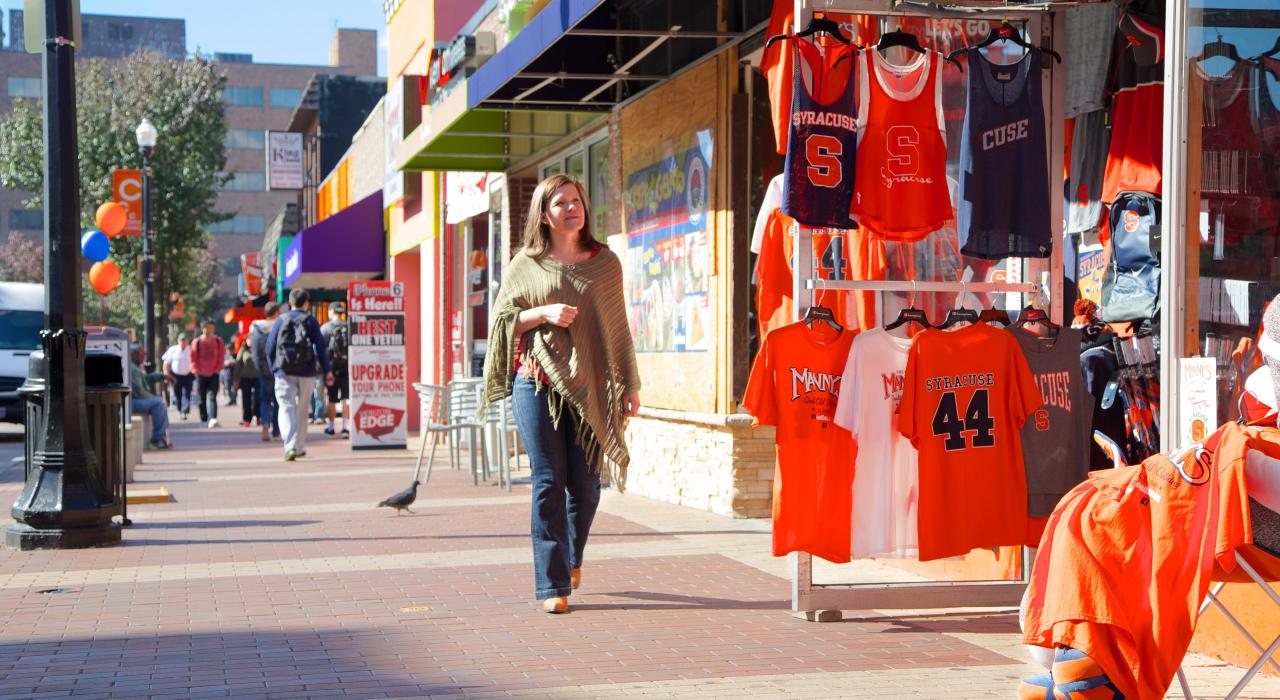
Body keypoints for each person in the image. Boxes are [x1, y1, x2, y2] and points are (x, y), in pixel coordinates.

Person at [481, 175, 641, 614]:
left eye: (576, 201)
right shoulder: (526, 264)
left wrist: (629, 382)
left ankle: (572, 557)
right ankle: (552, 586)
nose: (571, 208)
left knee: (586, 486)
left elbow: (618, 329)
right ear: (543, 214)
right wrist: (541, 313)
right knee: (548, 481)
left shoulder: (605, 263)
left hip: (588, 389)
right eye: (560, 203)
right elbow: (499, 324)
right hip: (536, 382)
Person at [266, 289, 332, 461]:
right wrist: (327, 370)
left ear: (289, 303)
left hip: (283, 371)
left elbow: (269, 347)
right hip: (306, 371)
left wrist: (274, 369)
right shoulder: (311, 321)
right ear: (306, 303)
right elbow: (321, 348)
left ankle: (289, 446)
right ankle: (299, 446)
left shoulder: (281, 320)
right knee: (302, 410)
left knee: (286, 407)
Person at [249, 302, 282, 442]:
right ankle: (276, 430)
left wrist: (260, 368)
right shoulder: (279, 325)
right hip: (277, 367)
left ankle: (264, 424)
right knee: (278, 400)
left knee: (264, 399)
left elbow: (254, 351)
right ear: (276, 313)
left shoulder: (256, 327)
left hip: (263, 369)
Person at [129, 345, 170, 449]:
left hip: (134, 400)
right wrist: (153, 398)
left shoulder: (135, 367)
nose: (144, 357)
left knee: (159, 402)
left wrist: (161, 376)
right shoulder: (132, 369)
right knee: (158, 403)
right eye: (142, 354)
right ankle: (157, 439)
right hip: (132, 401)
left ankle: (162, 437)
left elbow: (145, 379)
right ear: (134, 355)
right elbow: (140, 392)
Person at [321, 301, 350, 438]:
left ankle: (331, 427)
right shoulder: (349, 327)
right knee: (346, 398)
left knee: (332, 399)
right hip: (347, 367)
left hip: (331, 368)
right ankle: (345, 427)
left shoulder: (325, 328)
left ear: (332, 311)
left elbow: (320, 350)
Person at [190, 321, 226, 429]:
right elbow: (193, 358)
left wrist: (217, 369)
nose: (209, 330)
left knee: (212, 396)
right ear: (202, 329)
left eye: (211, 328)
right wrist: (196, 370)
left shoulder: (218, 341)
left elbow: (221, 356)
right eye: (207, 328)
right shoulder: (197, 342)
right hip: (201, 374)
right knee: (201, 398)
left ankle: (213, 419)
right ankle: (203, 418)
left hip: (213, 373)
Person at [161, 333, 194, 420]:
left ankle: (184, 411)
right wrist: (166, 374)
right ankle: (180, 410)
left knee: (186, 393)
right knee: (178, 394)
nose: (183, 342)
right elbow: (166, 363)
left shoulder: (191, 349)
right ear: (178, 341)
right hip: (176, 376)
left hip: (188, 375)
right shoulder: (173, 349)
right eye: (181, 340)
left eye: (185, 340)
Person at [233, 335, 259, 427]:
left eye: (252, 339)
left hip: (258, 377)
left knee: (258, 397)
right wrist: (236, 379)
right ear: (246, 341)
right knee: (246, 399)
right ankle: (246, 419)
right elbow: (237, 364)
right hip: (245, 378)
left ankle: (258, 416)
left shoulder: (259, 348)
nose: (251, 341)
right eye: (249, 339)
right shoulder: (243, 350)